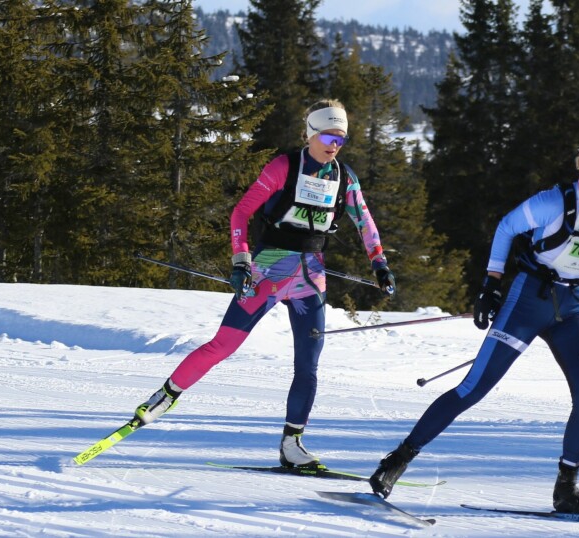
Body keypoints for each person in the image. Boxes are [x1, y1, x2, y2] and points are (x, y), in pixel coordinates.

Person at [368, 130, 579, 514]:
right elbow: (507, 227)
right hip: (530, 300)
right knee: (473, 388)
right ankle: (398, 459)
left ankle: (567, 488)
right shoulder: (553, 203)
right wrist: (491, 285)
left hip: (573, 306)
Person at [133, 99, 395, 469]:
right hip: (267, 271)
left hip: (310, 279)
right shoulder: (284, 167)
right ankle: (164, 396)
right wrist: (241, 261)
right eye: (327, 135)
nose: (334, 143)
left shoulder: (345, 177)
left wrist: (379, 263)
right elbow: (241, 211)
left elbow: (364, 222)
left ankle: (292, 444)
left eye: (341, 137)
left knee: (308, 365)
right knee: (223, 345)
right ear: (310, 133)